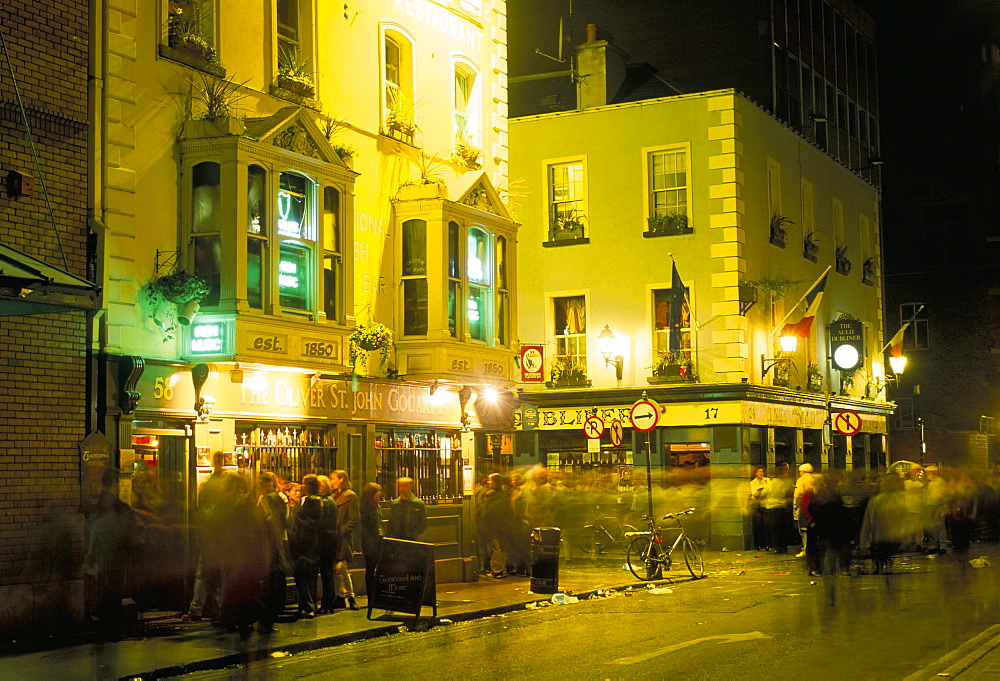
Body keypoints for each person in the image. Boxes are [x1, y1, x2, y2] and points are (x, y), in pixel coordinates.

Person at [85, 468, 144, 635]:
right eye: (117, 482)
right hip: (114, 556)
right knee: (113, 591)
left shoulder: (99, 504)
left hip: (104, 557)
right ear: (114, 483)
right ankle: (112, 627)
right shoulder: (116, 505)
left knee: (106, 591)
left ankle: (108, 626)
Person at [187, 451, 232, 623]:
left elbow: (201, 509)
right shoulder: (226, 484)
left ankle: (197, 608)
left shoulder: (208, 484)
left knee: (204, 574)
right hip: (220, 538)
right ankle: (216, 609)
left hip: (209, 537)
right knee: (217, 575)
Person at [256, 471, 289, 633]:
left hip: (268, 543)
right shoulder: (280, 499)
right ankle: (277, 609)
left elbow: (263, 521)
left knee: (269, 577)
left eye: (261, 484)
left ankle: (268, 613)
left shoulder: (267, 500)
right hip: (279, 542)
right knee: (277, 575)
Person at [289, 474, 322, 619]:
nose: (301, 486)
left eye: (303, 483)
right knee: (303, 574)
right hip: (306, 542)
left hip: (306, 543)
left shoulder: (313, 501)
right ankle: (306, 605)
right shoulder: (311, 500)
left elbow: (299, 516)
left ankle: (308, 605)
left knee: (302, 574)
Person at [331, 470, 360, 611]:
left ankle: (350, 597)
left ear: (341, 479)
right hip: (335, 537)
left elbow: (354, 518)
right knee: (337, 569)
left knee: (341, 567)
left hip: (342, 538)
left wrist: (342, 531)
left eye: (333, 479)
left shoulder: (350, 496)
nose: (331, 481)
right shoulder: (335, 496)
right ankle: (341, 596)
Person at [316, 475, 341, 614]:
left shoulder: (326, 501)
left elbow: (324, 522)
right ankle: (328, 604)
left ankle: (327, 604)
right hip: (330, 540)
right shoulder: (330, 500)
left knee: (326, 573)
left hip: (326, 541)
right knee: (328, 573)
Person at [359, 483, 384, 600]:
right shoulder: (368, 509)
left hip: (374, 542)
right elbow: (373, 526)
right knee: (371, 569)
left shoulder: (373, 507)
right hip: (371, 543)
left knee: (373, 568)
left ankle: (374, 594)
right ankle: (372, 595)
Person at [762, 465, 792, 554]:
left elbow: (764, 492)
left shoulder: (771, 482)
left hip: (773, 509)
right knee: (783, 529)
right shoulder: (787, 482)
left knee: (775, 530)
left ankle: (777, 548)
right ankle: (784, 548)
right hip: (784, 508)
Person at [793, 463, 816, 559]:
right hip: (814, 507)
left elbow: (797, 494)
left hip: (804, 506)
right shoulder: (815, 479)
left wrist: (795, 507)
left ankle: (805, 549)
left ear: (802, 471)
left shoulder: (800, 480)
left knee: (803, 529)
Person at [923, 465, 947, 554]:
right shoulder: (930, 482)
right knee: (932, 525)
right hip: (930, 505)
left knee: (940, 525)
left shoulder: (940, 482)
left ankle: (942, 544)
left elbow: (943, 494)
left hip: (937, 505)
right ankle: (936, 544)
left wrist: (943, 505)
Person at [748, 467, 769, 551]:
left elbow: (769, 491)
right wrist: (762, 491)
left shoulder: (767, 480)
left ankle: (767, 544)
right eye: (759, 472)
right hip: (756, 505)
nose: (761, 473)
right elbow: (755, 494)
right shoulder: (752, 483)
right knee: (758, 525)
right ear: (755, 473)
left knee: (766, 526)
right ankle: (758, 545)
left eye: (762, 471)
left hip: (765, 505)